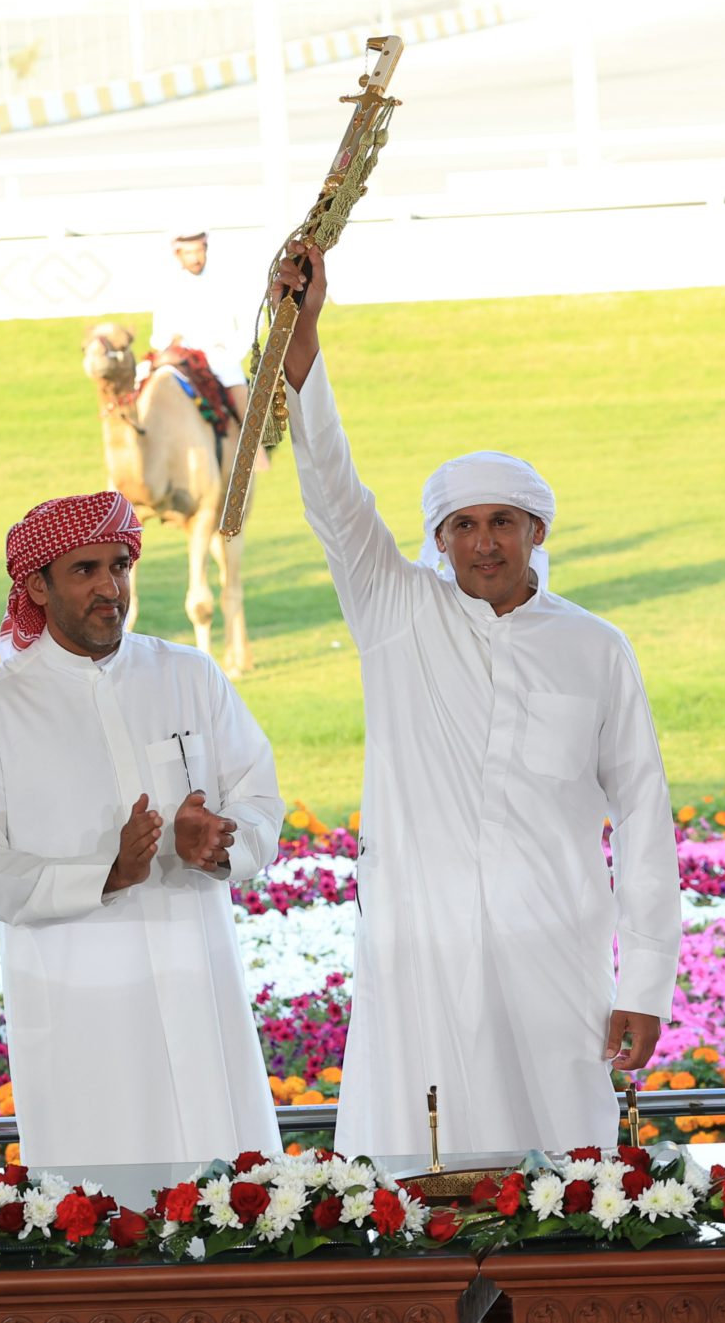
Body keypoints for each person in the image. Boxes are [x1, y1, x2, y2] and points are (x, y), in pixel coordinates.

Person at [273, 243, 680, 1158]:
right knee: (422, 1162)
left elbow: (644, 815)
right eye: (463, 525)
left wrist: (645, 981)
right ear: (439, 537)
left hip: (556, 948)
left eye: (503, 522)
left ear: (538, 531)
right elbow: (333, 492)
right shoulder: (395, 611)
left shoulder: (594, 647)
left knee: (563, 1166)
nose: (484, 542)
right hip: (423, 949)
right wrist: (304, 344)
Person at [0, 492, 283, 1164]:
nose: (110, 587)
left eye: (120, 565)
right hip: (80, 1005)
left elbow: (259, 798)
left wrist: (220, 843)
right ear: (37, 586)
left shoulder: (189, 675)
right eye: (86, 570)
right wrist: (107, 874)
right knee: (99, 1191)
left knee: (227, 1188)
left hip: (196, 980)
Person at [150, 231, 249, 419]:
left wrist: (232, 350)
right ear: (178, 255)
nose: (195, 258)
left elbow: (247, 325)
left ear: (206, 249)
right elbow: (159, 336)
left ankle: (253, 438)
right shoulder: (168, 288)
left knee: (248, 415)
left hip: (222, 362)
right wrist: (171, 345)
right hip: (182, 364)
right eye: (188, 253)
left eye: (199, 251)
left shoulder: (225, 281)